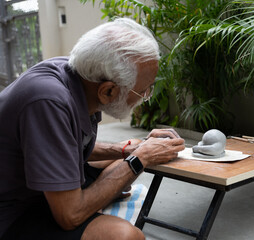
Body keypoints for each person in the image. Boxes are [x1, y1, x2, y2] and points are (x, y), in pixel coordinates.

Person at [0, 18, 185, 240]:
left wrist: (131, 149)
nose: (145, 98)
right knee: (125, 236)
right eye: (143, 91)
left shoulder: (78, 75)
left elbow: (64, 145)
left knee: (129, 152)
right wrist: (139, 159)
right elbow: (69, 216)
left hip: (37, 186)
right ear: (108, 91)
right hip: (15, 210)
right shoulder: (48, 102)